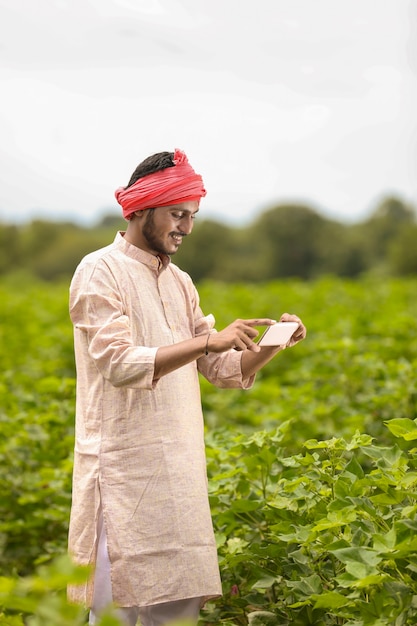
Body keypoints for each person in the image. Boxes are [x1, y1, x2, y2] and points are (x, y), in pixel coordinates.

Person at [67, 148, 306, 626]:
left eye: (192, 216)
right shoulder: (100, 270)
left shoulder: (180, 282)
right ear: (141, 209)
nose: (187, 227)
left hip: (178, 478)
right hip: (123, 476)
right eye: (178, 214)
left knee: (175, 615)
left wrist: (272, 345)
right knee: (120, 614)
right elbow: (118, 362)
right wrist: (206, 341)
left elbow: (217, 368)